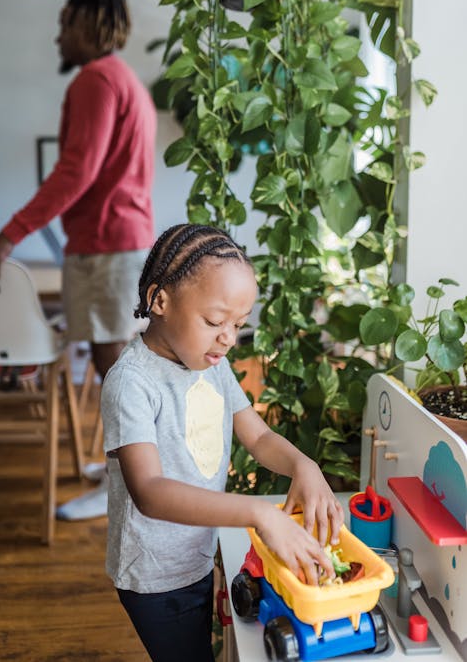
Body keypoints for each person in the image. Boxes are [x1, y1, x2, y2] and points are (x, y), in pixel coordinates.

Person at [100, 223, 345, 662]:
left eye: (238, 324)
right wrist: (257, 513)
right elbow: (150, 493)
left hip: (195, 555)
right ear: (160, 301)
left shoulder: (210, 362)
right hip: (155, 577)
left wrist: (304, 465)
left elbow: (260, 436)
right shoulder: (131, 383)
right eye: (215, 321)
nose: (229, 338)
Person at [0, 0, 156, 519]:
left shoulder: (96, 80)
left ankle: (125, 485)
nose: (58, 37)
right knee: (116, 366)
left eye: (64, 24)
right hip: (120, 241)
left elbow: (75, 171)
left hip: (105, 243)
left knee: (112, 367)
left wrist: (9, 235)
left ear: (88, 25)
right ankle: (125, 472)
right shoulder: (124, 81)